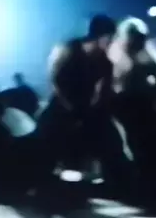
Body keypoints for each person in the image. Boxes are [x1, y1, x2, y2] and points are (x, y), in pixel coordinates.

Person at [36, 14, 128, 185]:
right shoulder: (69, 50)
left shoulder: (105, 62)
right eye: (109, 37)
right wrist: (71, 109)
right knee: (49, 143)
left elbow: (103, 92)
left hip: (87, 110)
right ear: (101, 36)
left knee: (111, 142)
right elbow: (56, 80)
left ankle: (118, 181)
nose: (111, 42)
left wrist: (94, 111)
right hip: (62, 107)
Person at [108, 17, 156, 183]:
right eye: (137, 37)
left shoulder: (148, 56)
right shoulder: (116, 57)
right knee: (139, 145)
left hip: (145, 106)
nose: (140, 41)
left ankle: (155, 178)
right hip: (129, 107)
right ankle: (147, 179)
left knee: (152, 144)